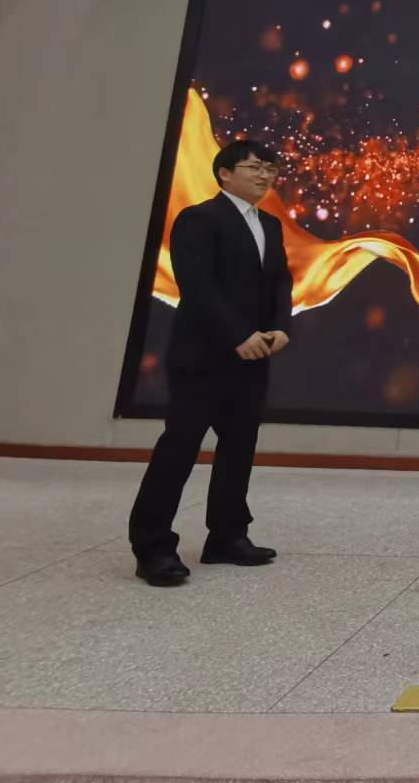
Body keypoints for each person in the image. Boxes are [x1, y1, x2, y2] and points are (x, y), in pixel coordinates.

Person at [128, 139, 293, 586]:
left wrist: (280, 327)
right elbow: (197, 286)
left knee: (239, 448)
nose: (265, 175)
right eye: (254, 167)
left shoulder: (270, 225)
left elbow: (280, 281)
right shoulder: (199, 218)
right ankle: (152, 547)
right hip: (202, 358)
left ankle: (227, 537)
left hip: (253, 358)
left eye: (271, 168)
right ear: (224, 173)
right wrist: (238, 335)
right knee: (179, 449)